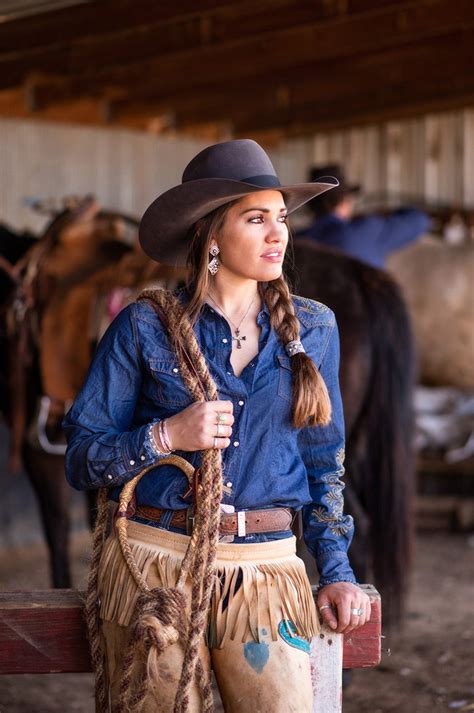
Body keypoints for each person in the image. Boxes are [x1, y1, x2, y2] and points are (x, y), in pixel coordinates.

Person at [64, 139, 370, 713]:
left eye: (281, 218)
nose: (278, 233)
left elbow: (324, 460)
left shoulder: (314, 328)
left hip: (268, 574)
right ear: (210, 236)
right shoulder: (143, 327)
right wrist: (167, 436)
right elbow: (82, 457)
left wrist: (336, 569)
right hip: (157, 569)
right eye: (256, 219)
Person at [297, 164, 430, 268]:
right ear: (345, 200)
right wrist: (386, 214)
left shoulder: (296, 240)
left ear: (310, 204)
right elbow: (420, 220)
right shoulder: (367, 230)